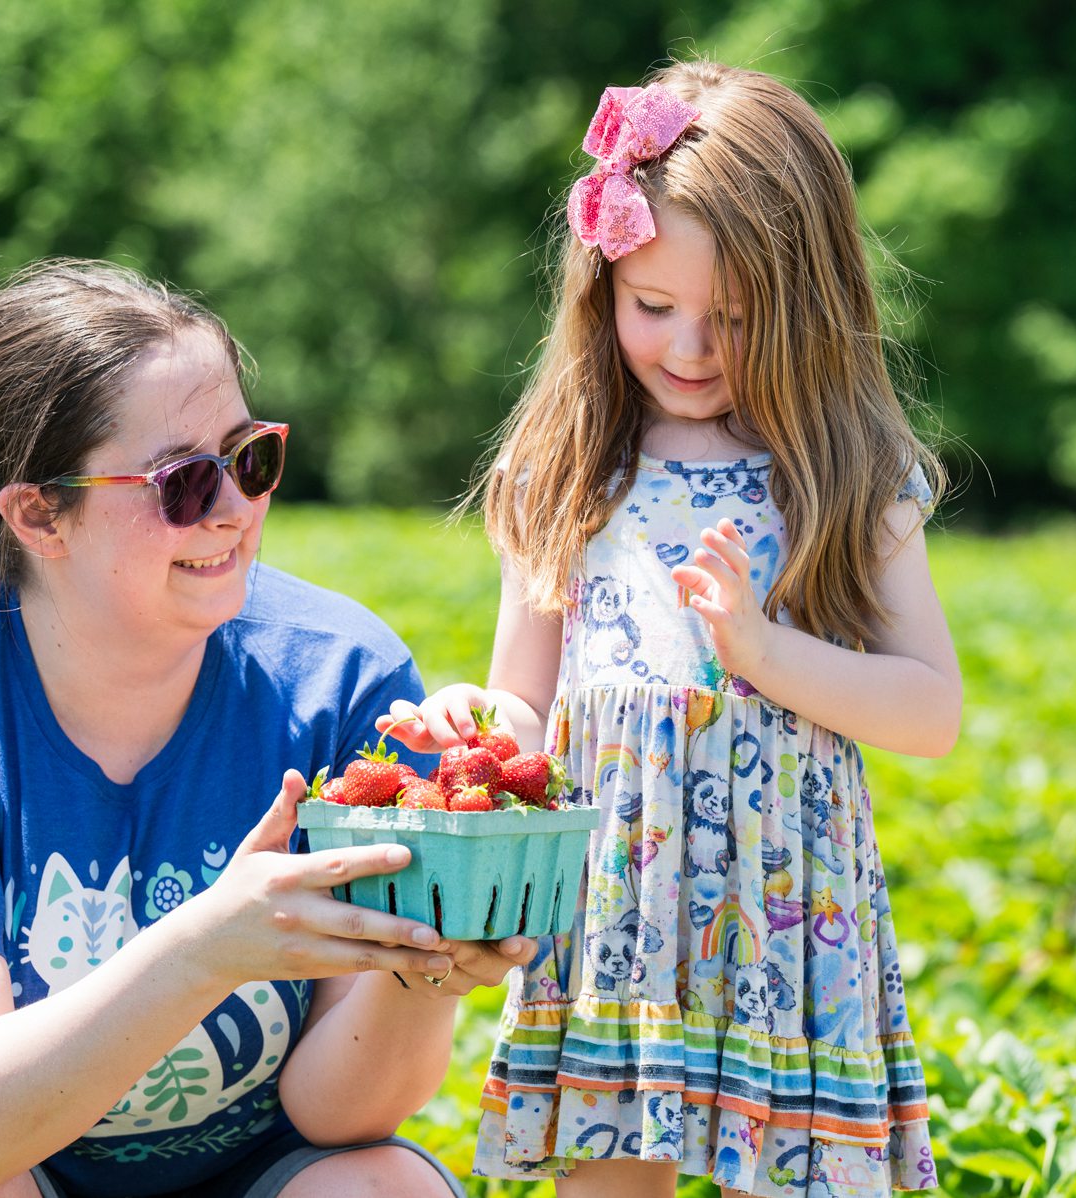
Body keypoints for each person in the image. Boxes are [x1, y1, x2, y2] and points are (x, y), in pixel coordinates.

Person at [0, 259, 535, 1198]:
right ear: (40, 515)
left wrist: (421, 966)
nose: (236, 511)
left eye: (250, 459)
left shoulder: (339, 676)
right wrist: (209, 948)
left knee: (379, 1190)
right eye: (184, 483)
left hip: (224, 1163)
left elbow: (341, 1118)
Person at [376, 61, 958, 1197]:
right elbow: (525, 704)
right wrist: (471, 734)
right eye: (653, 308)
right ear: (602, 286)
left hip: (789, 926)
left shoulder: (846, 471)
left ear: (809, 303)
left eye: (732, 319)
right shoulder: (567, 466)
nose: (688, 348)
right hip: (614, 917)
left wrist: (765, 653)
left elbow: (929, 710)